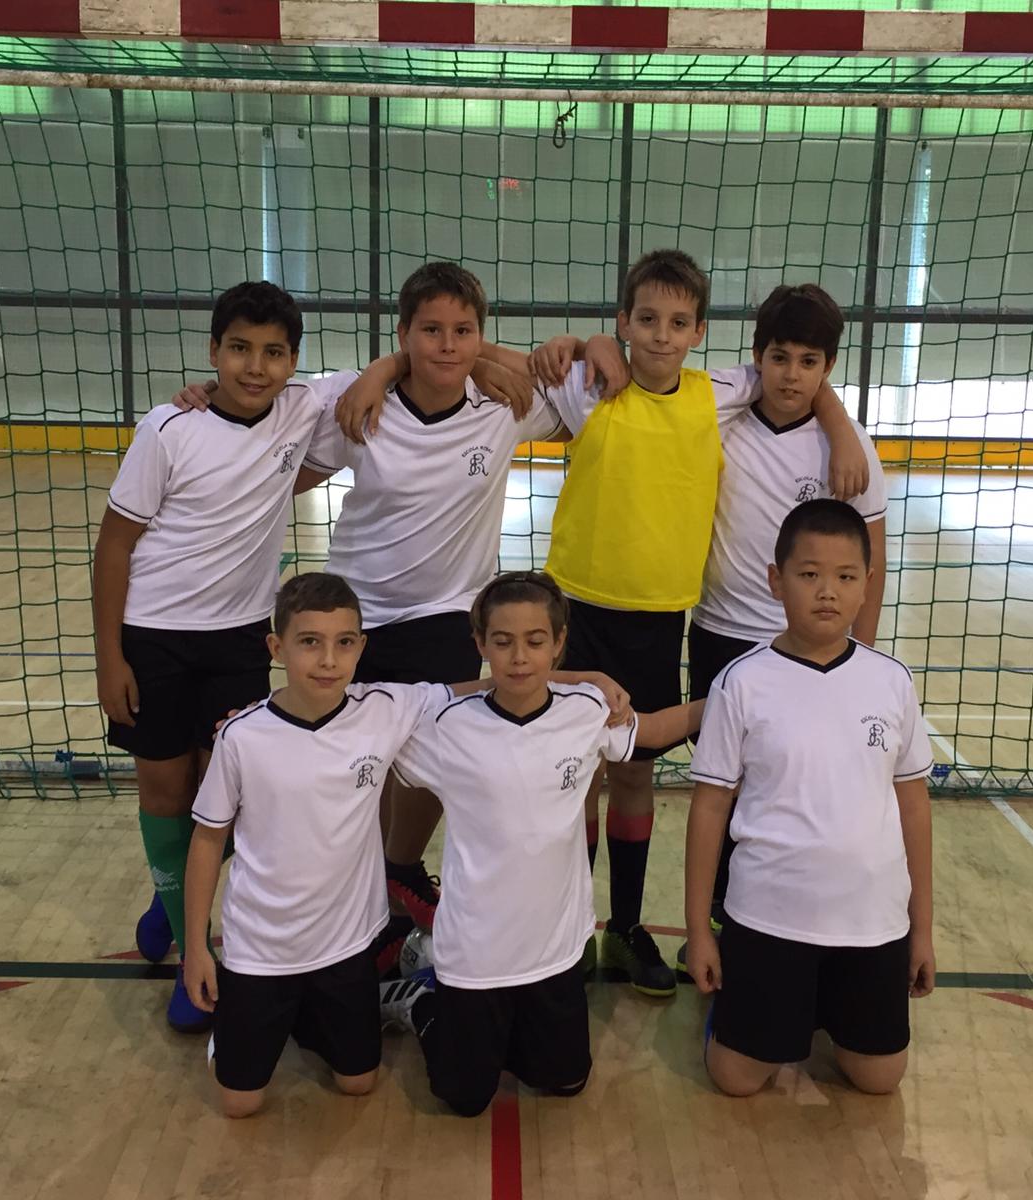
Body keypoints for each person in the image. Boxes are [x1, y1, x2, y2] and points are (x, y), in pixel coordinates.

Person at [503, 251, 869, 997]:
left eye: (678, 323)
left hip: (658, 619)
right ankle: (565, 930)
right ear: (623, 321)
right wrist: (575, 345)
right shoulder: (589, 387)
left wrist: (839, 430)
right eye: (645, 320)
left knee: (634, 773)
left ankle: (625, 928)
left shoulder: (718, 393)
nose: (661, 335)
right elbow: (494, 367)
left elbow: (801, 374)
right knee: (573, 777)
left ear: (700, 331)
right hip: (575, 611)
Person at [171, 263, 564, 933]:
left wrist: (487, 356)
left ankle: (399, 867)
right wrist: (208, 398)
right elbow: (270, 425)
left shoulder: (504, 403)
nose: (447, 344)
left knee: (433, 748)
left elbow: (585, 386)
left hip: (448, 606)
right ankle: (356, 883)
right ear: (403, 333)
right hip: (358, 608)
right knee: (363, 757)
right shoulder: (359, 404)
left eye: (463, 331)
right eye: (430, 331)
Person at [182, 572, 627, 1117]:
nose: (328, 660)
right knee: (239, 1104)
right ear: (277, 648)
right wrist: (197, 946)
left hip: (346, 941)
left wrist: (589, 679)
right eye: (310, 642)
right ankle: (241, 1034)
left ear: (361, 647)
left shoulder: (385, 708)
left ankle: (370, 1006)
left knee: (359, 1083)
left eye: (344, 643)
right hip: (259, 946)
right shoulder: (242, 736)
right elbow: (207, 840)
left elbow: (486, 685)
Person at [93, 281, 344, 1032]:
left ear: (293, 360)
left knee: (226, 805)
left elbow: (386, 371)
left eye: (273, 352)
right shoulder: (169, 428)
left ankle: (171, 900)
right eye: (239, 349)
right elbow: (114, 546)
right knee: (167, 794)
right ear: (213, 351)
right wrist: (110, 659)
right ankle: (189, 948)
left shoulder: (302, 408)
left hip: (238, 640)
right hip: (154, 638)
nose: (254, 366)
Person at [378, 571, 704, 1117]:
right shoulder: (444, 724)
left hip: (554, 951)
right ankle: (420, 1000)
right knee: (464, 1098)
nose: (519, 657)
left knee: (566, 1080)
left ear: (558, 642)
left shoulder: (586, 711)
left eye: (534, 641)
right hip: (474, 954)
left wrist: (734, 698)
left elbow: (649, 730)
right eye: (502, 641)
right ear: (479, 643)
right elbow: (365, 724)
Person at [684, 500, 934, 1097]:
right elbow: (710, 808)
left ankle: (819, 1011)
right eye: (809, 574)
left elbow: (914, 806)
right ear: (776, 580)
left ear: (867, 584)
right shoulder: (741, 682)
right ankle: (744, 1014)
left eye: (846, 576)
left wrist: (921, 929)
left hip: (871, 921)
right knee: (736, 1080)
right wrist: (699, 930)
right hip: (769, 915)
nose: (827, 591)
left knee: (880, 1079)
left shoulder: (890, 680)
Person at [680, 282, 889, 974]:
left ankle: (799, 930)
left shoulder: (848, 450)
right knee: (725, 792)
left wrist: (862, 657)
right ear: (756, 356)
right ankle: (721, 929)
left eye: (809, 362)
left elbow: (872, 560)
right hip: (720, 633)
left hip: (809, 649)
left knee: (796, 788)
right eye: (779, 358)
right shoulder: (723, 417)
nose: (792, 375)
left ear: (828, 367)